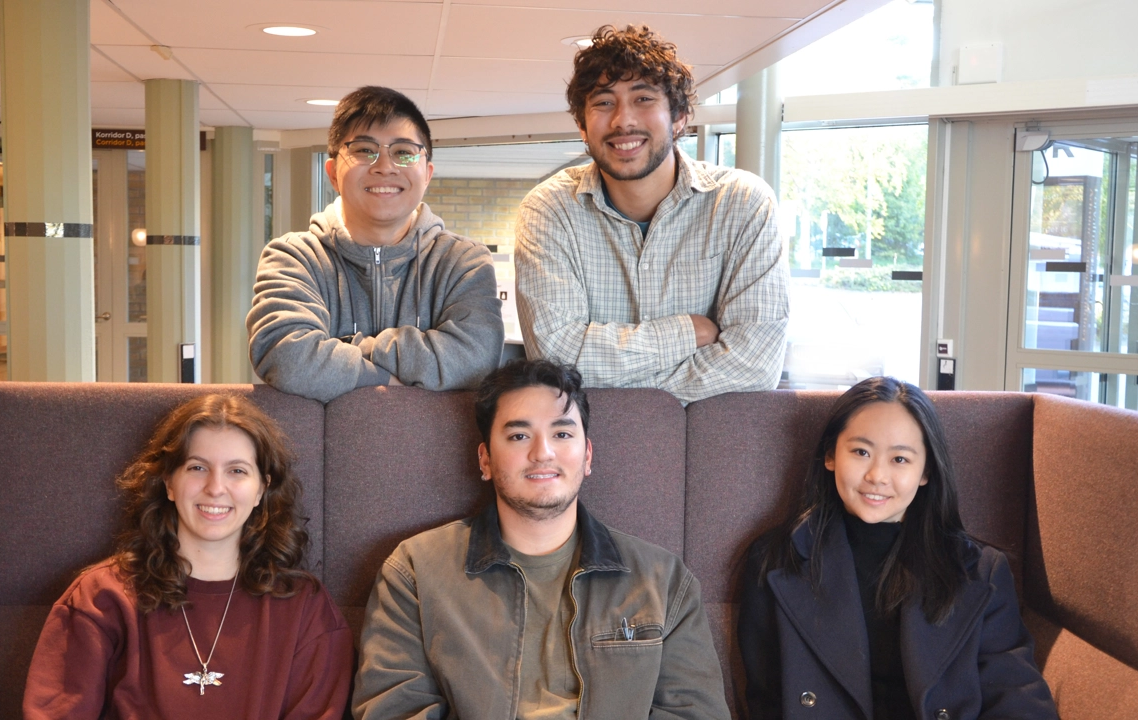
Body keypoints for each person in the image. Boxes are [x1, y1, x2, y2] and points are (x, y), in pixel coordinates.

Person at [353, 359, 730, 719]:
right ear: (485, 459)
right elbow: (393, 708)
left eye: (562, 433)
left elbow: (695, 711)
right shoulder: (416, 571)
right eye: (519, 435)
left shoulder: (662, 581)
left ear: (587, 455)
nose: (542, 452)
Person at [737, 377, 1058, 720]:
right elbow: (766, 702)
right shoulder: (776, 560)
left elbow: (1017, 699)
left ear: (926, 472)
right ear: (830, 456)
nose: (877, 475)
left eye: (900, 459)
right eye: (861, 452)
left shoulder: (980, 572)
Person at [23, 394, 352, 719]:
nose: (215, 487)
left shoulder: (306, 608)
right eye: (197, 467)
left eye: (237, 471)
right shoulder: (101, 598)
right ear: (168, 482)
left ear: (261, 490)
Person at [515, 24, 788, 405]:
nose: (623, 121)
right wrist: (686, 334)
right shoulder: (550, 210)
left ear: (678, 118)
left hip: (702, 448)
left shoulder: (743, 204)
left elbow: (754, 364)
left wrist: (616, 382)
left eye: (643, 99)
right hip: (586, 451)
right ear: (582, 126)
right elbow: (557, 359)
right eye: (603, 102)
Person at [249, 86, 504, 403]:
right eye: (364, 149)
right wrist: (384, 377)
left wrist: (351, 349)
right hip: (320, 452)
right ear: (332, 173)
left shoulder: (462, 262)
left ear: (427, 174)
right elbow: (287, 358)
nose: (384, 165)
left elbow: (475, 361)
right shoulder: (294, 257)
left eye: (403, 152)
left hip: (438, 451)